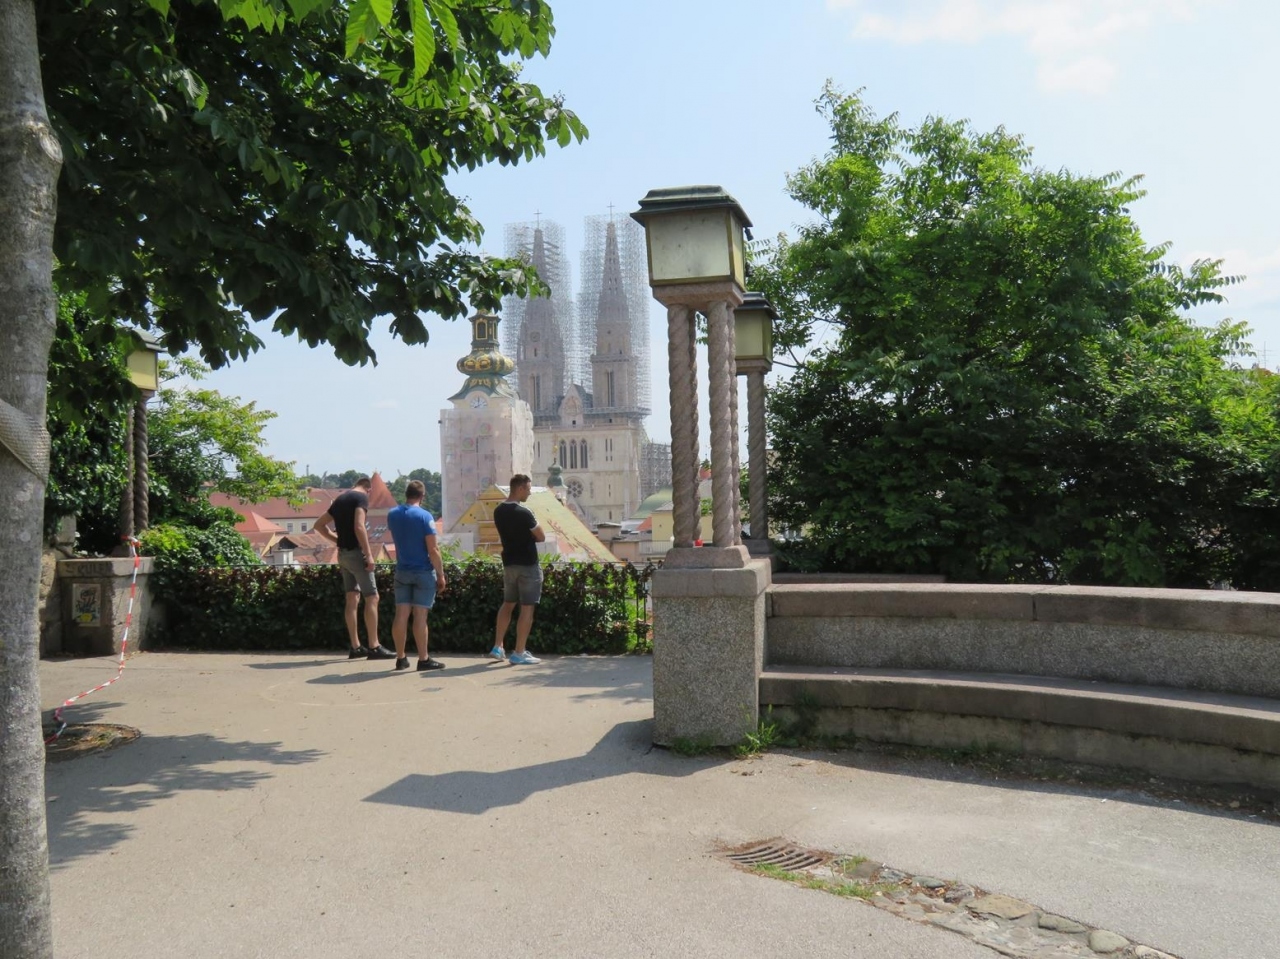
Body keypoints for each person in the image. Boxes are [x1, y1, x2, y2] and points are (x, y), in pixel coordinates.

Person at [313, 477, 393, 660]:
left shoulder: (340, 499)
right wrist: (369, 554)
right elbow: (359, 526)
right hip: (357, 554)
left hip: (343, 555)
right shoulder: (361, 498)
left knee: (352, 598)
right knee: (372, 597)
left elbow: (319, 526)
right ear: (369, 489)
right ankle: (374, 646)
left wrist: (338, 541)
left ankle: (356, 647)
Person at [385, 480, 447, 671]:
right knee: (420, 616)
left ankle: (401, 658)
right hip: (422, 572)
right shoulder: (425, 516)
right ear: (422, 496)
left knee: (401, 615)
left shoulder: (392, 514)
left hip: (402, 570)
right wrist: (441, 574)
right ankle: (423, 659)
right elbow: (433, 550)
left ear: (406, 494)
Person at [490, 473, 545, 665]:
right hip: (528, 564)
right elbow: (541, 536)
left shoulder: (498, 511)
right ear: (520, 488)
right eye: (528, 489)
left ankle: (498, 646)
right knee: (527, 608)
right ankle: (519, 652)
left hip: (509, 564)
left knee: (508, 604)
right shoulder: (524, 512)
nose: (529, 493)